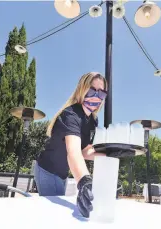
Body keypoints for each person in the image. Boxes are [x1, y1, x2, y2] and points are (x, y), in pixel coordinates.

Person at [34, 72, 108, 218]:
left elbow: (84, 151)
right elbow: (73, 152)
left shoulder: (92, 120)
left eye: (102, 93)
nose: (96, 96)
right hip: (47, 170)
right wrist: (85, 181)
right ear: (82, 89)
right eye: (92, 90)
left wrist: (109, 154)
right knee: (53, 215)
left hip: (62, 172)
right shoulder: (71, 114)